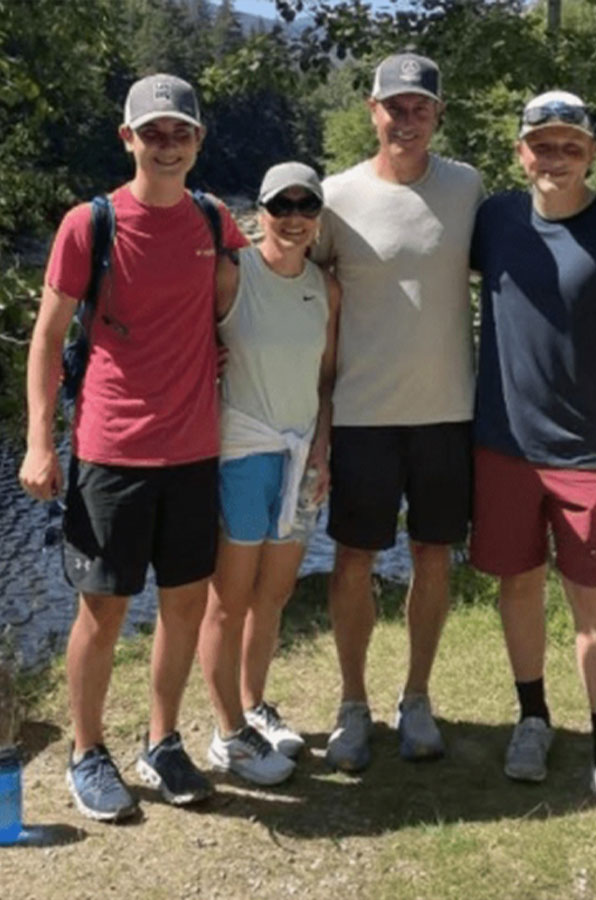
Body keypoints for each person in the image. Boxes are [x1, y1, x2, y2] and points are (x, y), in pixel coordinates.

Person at [18, 74, 247, 821]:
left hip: (193, 452)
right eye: (154, 132)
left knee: (184, 607)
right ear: (129, 139)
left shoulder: (215, 223)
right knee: (102, 612)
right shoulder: (90, 225)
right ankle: (87, 752)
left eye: (181, 131)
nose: (168, 144)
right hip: (111, 451)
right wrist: (39, 445)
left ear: (199, 140)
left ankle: (162, 740)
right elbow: (48, 339)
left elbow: (260, 286)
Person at [469, 91, 596, 833]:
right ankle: (532, 718)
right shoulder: (494, 222)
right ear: (520, 151)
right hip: (503, 446)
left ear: (592, 153)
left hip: (588, 456)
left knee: (594, 602)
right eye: (541, 145)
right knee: (517, 588)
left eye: (569, 146)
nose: (554, 159)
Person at [313, 52, 483, 771]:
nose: (406, 120)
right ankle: (353, 704)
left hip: (448, 412)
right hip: (360, 414)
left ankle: (416, 697)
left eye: (421, 107)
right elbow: (304, 296)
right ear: (371, 111)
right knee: (353, 559)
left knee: (432, 554)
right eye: (395, 106)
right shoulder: (332, 196)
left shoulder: (470, 188)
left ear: (438, 115)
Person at [198, 162, 340, 785]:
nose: (293, 217)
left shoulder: (326, 289)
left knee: (274, 594)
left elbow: (327, 378)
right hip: (241, 454)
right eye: (280, 205)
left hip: (302, 457)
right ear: (258, 213)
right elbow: (185, 341)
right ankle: (226, 730)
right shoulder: (231, 274)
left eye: (305, 206)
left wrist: (324, 448)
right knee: (228, 602)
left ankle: (255, 705)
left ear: (318, 217)